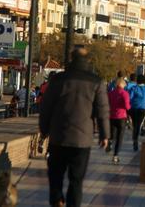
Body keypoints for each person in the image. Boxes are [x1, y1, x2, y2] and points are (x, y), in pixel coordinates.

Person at [40, 48, 110, 207]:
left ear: (71, 58)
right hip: (82, 140)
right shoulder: (96, 82)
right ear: (88, 60)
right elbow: (103, 110)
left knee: (55, 176)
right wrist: (105, 135)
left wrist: (44, 130)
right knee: (76, 181)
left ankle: (57, 199)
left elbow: (46, 107)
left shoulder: (58, 79)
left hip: (59, 137)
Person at [107, 77, 131, 163]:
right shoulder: (125, 93)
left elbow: (107, 103)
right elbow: (127, 106)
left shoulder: (111, 93)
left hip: (112, 116)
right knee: (119, 138)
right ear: (123, 85)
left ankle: (109, 141)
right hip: (121, 117)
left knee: (112, 135)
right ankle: (115, 156)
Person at [129, 74, 145, 151]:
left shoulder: (133, 88)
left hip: (133, 109)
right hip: (143, 109)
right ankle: (136, 137)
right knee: (138, 125)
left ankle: (135, 139)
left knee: (135, 125)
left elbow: (130, 99)